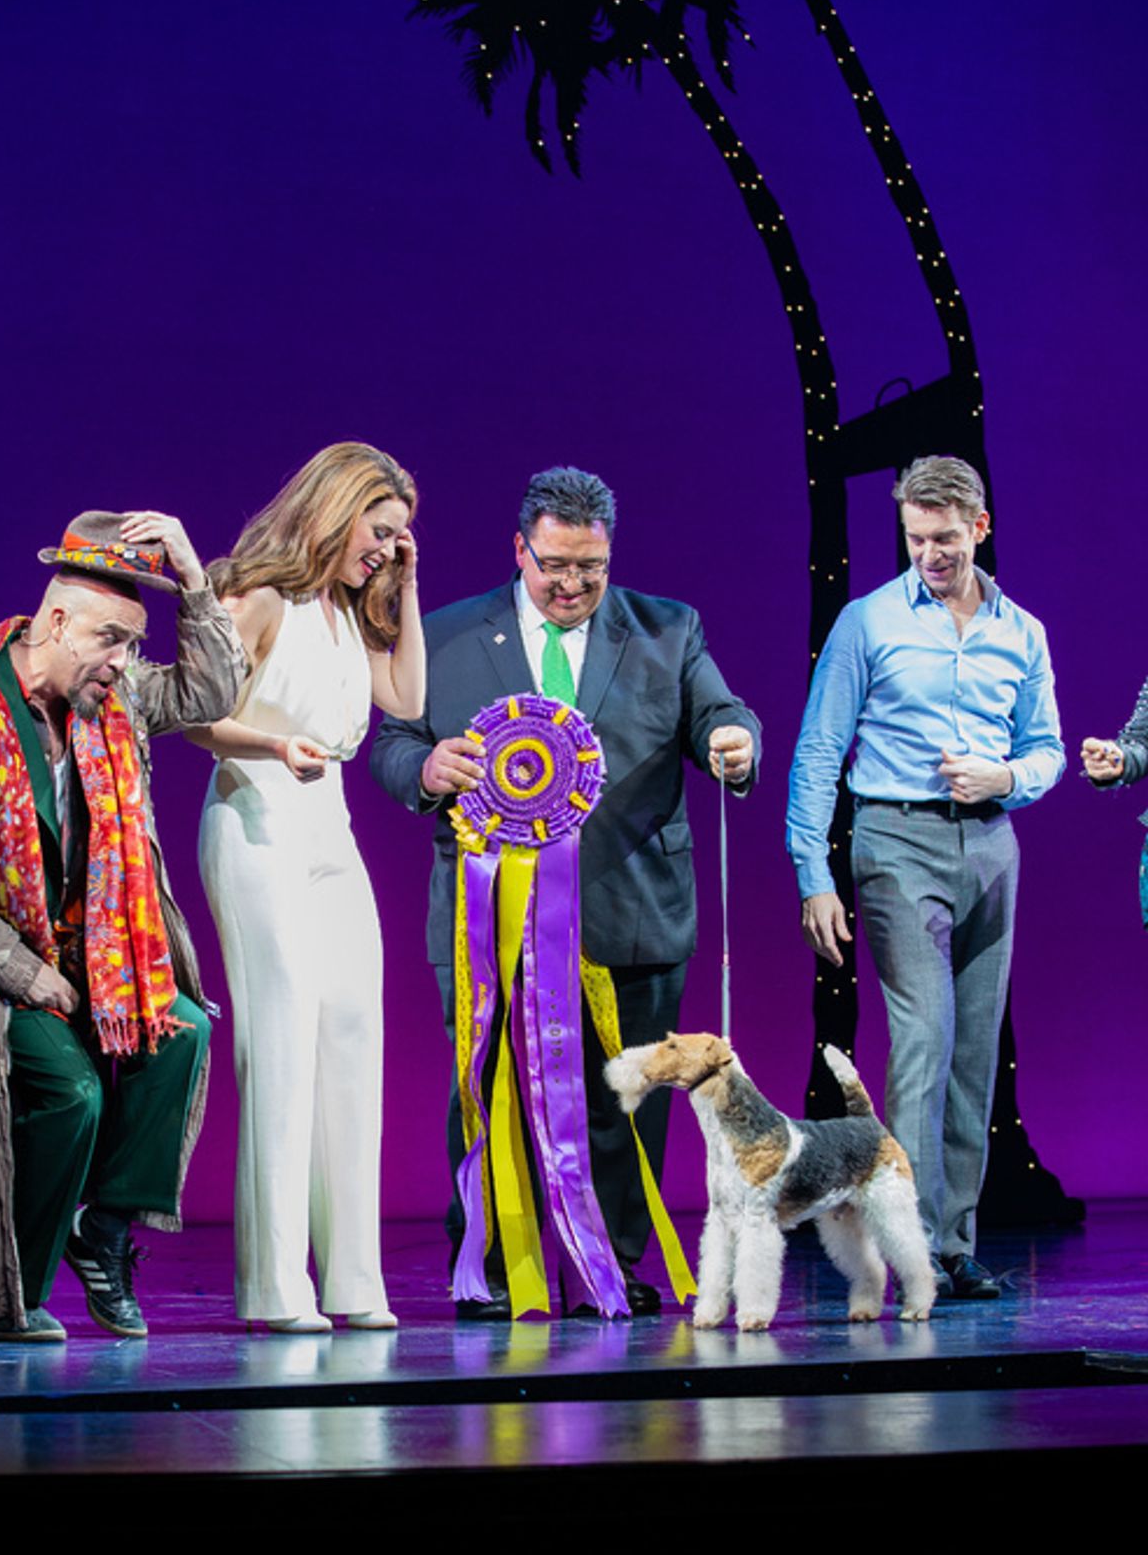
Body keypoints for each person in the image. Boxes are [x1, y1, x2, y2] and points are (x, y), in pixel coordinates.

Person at [371, 464, 758, 1320]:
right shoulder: (446, 635)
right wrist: (426, 769)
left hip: (634, 908)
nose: (573, 585)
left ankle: (607, 1269)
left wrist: (735, 738)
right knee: (490, 1092)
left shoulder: (669, 629)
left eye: (592, 567)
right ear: (520, 549)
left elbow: (719, 713)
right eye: (555, 566)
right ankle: (493, 1267)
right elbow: (392, 743)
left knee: (625, 1101)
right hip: (488, 917)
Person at [0, 510, 246, 1343]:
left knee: (185, 1031)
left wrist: (193, 580)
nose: (123, 662)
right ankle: (12, 1292)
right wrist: (30, 975)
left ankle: (106, 1231)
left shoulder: (112, 700)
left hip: (95, 961)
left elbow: (212, 694)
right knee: (73, 1092)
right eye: (110, 640)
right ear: (55, 622)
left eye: (134, 643)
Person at [788, 455, 1064, 1299]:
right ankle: (905, 1251)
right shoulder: (868, 621)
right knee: (924, 1040)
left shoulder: (1021, 631)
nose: (929, 555)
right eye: (914, 539)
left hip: (990, 844)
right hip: (895, 841)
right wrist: (813, 873)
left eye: (944, 539)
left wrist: (1006, 778)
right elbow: (820, 749)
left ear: (979, 527)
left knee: (975, 1052)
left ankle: (950, 1246)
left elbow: (1046, 748)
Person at [193, 443, 424, 1333]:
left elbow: (407, 696)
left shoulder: (346, 615)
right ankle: (276, 1284)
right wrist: (271, 744)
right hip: (256, 818)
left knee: (354, 1034)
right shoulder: (258, 598)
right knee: (283, 1043)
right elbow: (193, 715)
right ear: (335, 510)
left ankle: (355, 1279)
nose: (387, 549)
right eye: (380, 531)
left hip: (331, 827)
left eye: (399, 537)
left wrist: (405, 584)